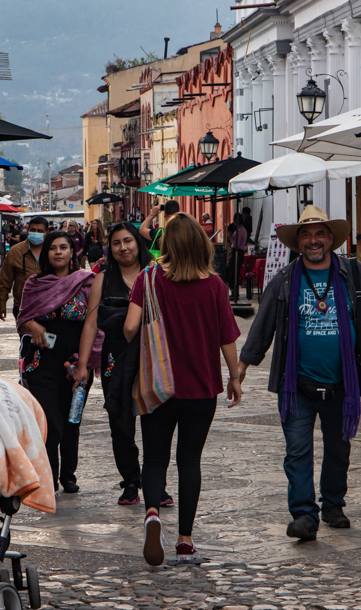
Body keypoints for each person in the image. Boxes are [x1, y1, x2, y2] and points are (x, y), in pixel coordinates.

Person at [238, 205, 361, 541]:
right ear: (298, 242)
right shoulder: (286, 280)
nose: (313, 240)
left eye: (320, 234)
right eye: (306, 235)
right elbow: (262, 326)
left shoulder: (354, 273)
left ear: (331, 239)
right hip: (298, 386)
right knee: (297, 453)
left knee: (338, 449)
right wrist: (243, 365)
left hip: (342, 384)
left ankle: (333, 504)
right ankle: (305, 515)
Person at [124, 213, 242, 566]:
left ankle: (152, 513)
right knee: (190, 460)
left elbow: (130, 328)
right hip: (202, 387)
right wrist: (234, 377)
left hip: (158, 386)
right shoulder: (215, 286)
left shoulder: (147, 279)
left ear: (166, 245)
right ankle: (186, 540)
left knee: (155, 457)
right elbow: (227, 337)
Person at [74, 223, 172, 507]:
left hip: (152, 357)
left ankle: (157, 484)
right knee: (120, 423)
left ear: (137, 242)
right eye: (116, 243)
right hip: (115, 359)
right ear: (109, 248)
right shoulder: (103, 280)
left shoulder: (158, 274)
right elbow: (91, 323)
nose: (123, 248)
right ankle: (130, 481)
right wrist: (83, 365)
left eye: (127, 241)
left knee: (158, 423)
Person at [18, 231, 95, 493]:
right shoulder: (35, 283)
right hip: (42, 364)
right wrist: (31, 324)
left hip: (77, 364)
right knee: (50, 421)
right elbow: (22, 319)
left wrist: (85, 362)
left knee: (72, 419)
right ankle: (48, 473)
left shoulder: (86, 283)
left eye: (64, 247)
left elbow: (94, 325)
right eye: (53, 248)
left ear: (73, 252)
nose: (59, 252)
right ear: (46, 253)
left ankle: (68, 475)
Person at [0, 216, 48, 320]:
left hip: (48, 305)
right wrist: (2, 302)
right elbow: (5, 279)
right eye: (33, 230)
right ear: (28, 230)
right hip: (22, 306)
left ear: (46, 233)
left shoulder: (51, 251)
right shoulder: (15, 251)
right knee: (25, 336)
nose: (36, 233)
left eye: (40, 231)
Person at [225, 212, 248, 299]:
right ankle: (234, 291)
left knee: (230, 272)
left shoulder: (239, 231)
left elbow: (236, 244)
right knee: (233, 272)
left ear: (235, 221)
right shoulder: (243, 230)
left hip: (237, 253)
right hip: (238, 252)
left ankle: (234, 290)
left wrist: (230, 237)